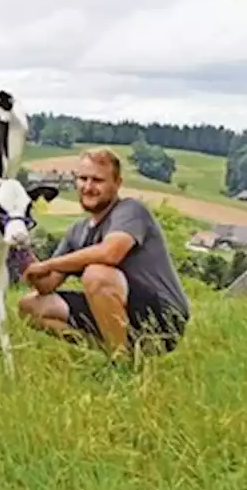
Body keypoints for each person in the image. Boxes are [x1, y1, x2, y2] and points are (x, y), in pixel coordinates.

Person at [18, 148, 191, 358]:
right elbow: (47, 285)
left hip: (161, 316)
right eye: (83, 179)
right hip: (112, 310)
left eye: (97, 180)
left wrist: (49, 264)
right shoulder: (77, 231)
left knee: (97, 273)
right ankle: (116, 354)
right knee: (30, 306)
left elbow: (110, 253)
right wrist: (21, 249)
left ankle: (120, 363)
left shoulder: (130, 210)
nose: (88, 187)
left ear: (117, 183)